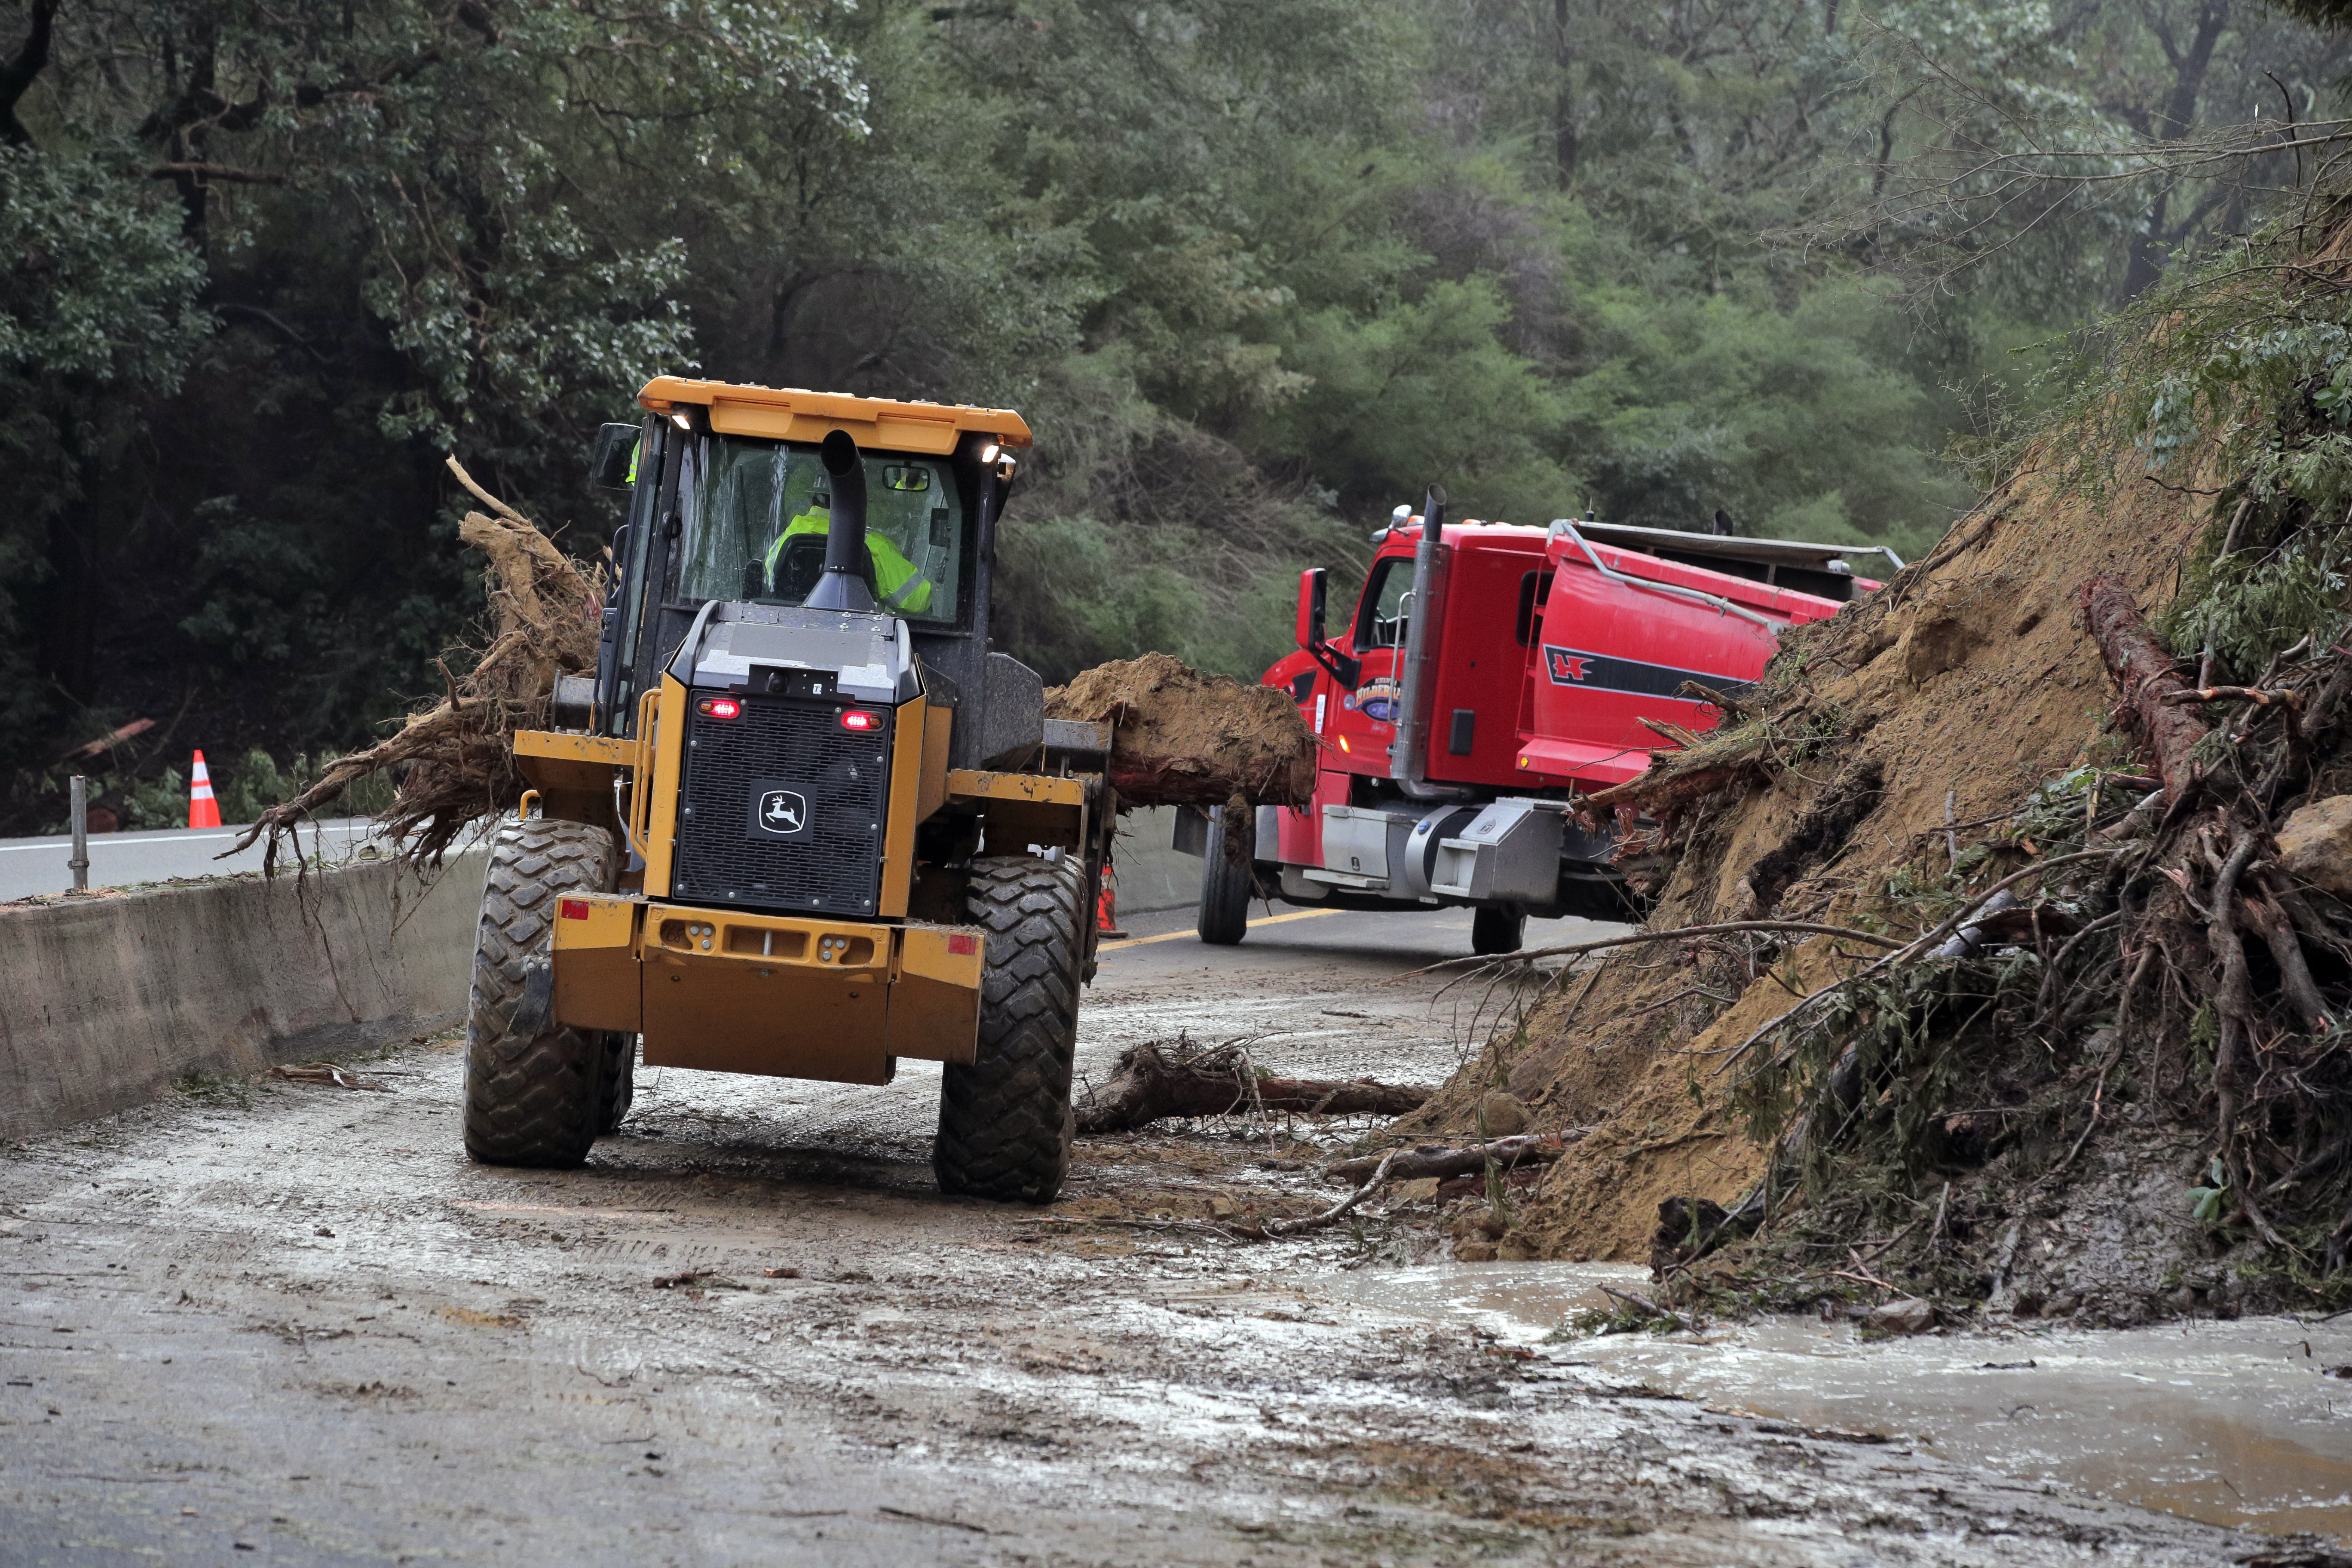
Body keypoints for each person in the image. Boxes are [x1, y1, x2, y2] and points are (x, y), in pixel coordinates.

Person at [760, 491, 934, 614]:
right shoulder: (875, 545)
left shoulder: (788, 536)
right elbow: (919, 601)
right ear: (858, 500)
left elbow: (771, 578)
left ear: (814, 499)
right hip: (858, 638)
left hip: (795, 631)